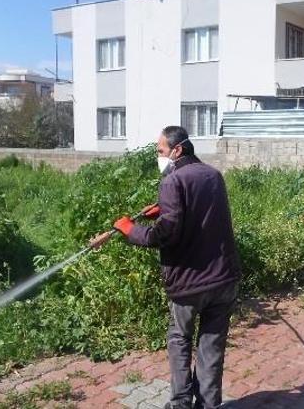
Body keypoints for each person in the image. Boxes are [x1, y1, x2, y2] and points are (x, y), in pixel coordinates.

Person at [91, 126, 241, 409]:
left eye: (160, 151)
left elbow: (163, 236)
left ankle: (180, 403)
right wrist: (164, 207)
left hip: (190, 283)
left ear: (177, 150)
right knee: (211, 345)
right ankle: (208, 405)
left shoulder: (173, 181)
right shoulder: (213, 174)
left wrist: (129, 229)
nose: (158, 157)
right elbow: (198, 209)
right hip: (224, 279)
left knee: (179, 339)